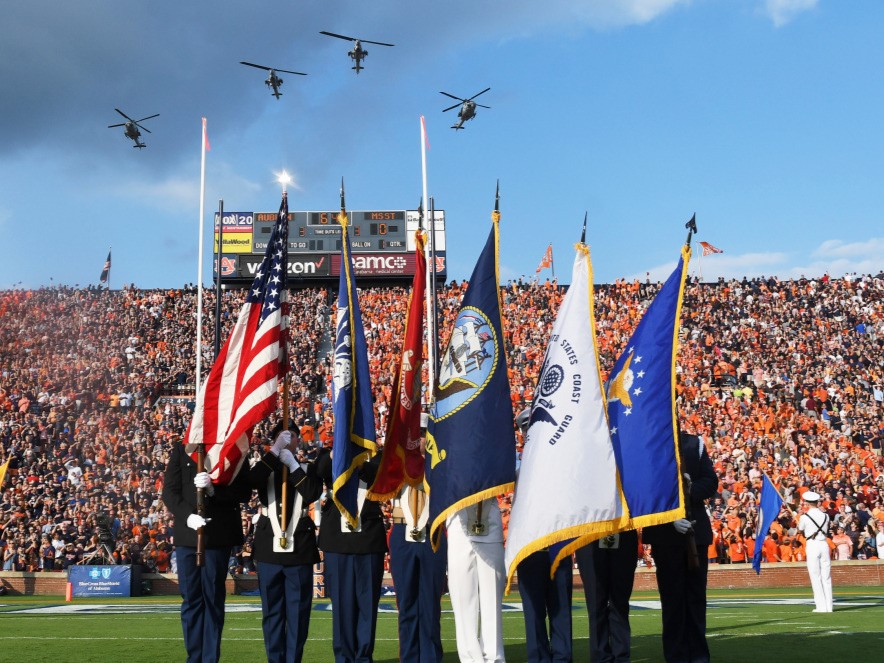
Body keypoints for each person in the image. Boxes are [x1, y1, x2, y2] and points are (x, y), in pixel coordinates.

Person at [162, 439, 252, 663]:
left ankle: (210, 659)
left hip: (217, 536)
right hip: (188, 534)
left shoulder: (234, 448)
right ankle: (194, 658)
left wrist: (214, 490)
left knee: (212, 599)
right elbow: (170, 492)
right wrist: (187, 515)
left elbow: (243, 492)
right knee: (191, 600)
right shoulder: (181, 449)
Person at [247, 423, 323, 663]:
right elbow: (252, 480)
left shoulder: (307, 468)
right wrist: (273, 453)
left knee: (298, 614)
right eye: (283, 438)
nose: (289, 441)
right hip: (270, 549)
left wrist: (292, 466)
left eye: (292, 437)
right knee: (272, 614)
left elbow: (311, 493)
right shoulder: (265, 468)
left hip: (299, 548)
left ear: (298, 441)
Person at [642, 430, 717, 663]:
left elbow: (710, 481)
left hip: (694, 529)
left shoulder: (694, 443)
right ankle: (676, 655)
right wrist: (670, 514)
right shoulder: (647, 441)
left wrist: (689, 489)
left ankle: (698, 654)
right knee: (673, 600)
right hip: (665, 533)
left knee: (696, 598)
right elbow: (645, 487)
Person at [315, 447, 387, 663]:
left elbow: (381, 473)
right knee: (342, 608)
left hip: (368, 539)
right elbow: (321, 471)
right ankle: (344, 657)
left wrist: (360, 459)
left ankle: (364, 657)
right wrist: (335, 454)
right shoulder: (327, 453)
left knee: (367, 606)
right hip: (338, 541)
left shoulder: (376, 455)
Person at [514, 408, 573, 663]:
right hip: (529, 545)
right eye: (527, 427)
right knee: (534, 611)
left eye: (535, 425)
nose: (531, 431)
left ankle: (562, 657)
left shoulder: (560, 459)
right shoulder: (515, 462)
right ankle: (537, 657)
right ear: (522, 432)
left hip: (556, 543)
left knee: (560, 608)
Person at [388, 414, 447, 663]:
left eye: (424, 434)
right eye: (416, 434)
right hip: (403, 530)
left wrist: (429, 456)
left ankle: (431, 657)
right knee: (407, 603)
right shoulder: (396, 460)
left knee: (430, 603)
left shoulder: (440, 462)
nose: (420, 439)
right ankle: (410, 657)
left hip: (432, 530)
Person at [447, 497, 507, 662]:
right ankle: (469, 659)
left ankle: (494, 658)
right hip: (458, 519)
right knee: (462, 600)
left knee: (492, 599)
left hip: (490, 519)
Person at [575, 530, 639, 663]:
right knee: (596, 604)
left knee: (620, 603)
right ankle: (600, 657)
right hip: (589, 533)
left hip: (624, 531)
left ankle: (621, 657)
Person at [797, 491, 833, 612]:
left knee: (815, 576)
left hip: (812, 544)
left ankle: (821, 606)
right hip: (824, 543)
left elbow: (801, 530)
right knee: (826, 576)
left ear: (807, 503)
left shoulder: (804, 517)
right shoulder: (826, 515)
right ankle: (829, 606)